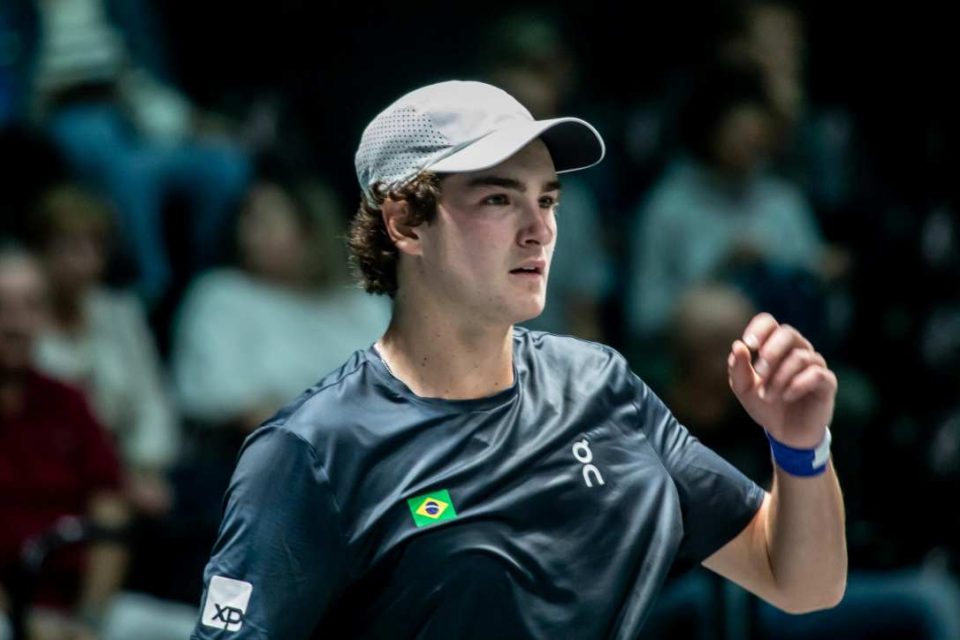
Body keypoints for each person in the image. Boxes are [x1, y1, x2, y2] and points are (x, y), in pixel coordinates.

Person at [191, 80, 846, 639]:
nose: (540, 227)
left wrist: (801, 448)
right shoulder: (311, 452)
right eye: (499, 199)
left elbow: (800, 579)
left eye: (548, 198)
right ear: (405, 223)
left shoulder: (603, 385)